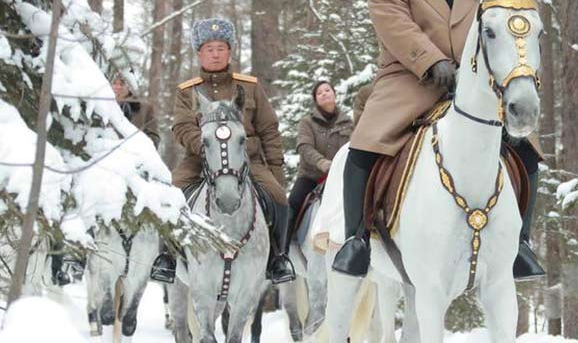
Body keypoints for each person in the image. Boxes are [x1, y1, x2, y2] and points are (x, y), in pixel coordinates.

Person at [332, 0, 544, 280]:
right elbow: (399, 30)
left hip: (471, 85)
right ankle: (357, 241)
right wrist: (433, 62)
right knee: (365, 146)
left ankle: (521, 244)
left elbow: (497, 32)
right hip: (408, 82)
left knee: (527, 150)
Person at [149, 18, 295, 285]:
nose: (215, 54)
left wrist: (275, 169)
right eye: (209, 49)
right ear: (199, 53)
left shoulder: (250, 87)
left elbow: (269, 128)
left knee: (278, 197)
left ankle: (278, 257)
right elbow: (182, 127)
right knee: (171, 195)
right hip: (199, 159)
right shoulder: (188, 91)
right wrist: (206, 147)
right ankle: (167, 256)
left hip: (247, 159)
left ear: (230, 51)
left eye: (220, 48)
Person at [51, 69, 160, 286]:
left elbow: (154, 138)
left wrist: (138, 151)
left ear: (130, 87)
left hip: (134, 167)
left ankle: (163, 258)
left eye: (122, 83)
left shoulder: (145, 108)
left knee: (161, 200)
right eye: (114, 82)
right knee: (82, 200)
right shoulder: (97, 104)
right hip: (100, 164)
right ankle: (77, 255)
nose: (117, 87)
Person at [288, 81, 353, 222]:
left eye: (327, 90)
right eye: (319, 93)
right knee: (293, 203)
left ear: (334, 94)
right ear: (316, 100)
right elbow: (304, 147)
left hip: (340, 176)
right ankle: (285, 236)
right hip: (311, 177)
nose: (324, 94)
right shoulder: (307, 122)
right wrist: (321, 163)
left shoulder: (348, 123)